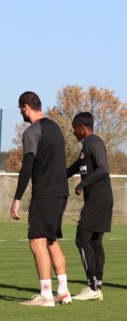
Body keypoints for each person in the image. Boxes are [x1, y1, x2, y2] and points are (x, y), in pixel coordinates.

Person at [10, 91, 71, 307]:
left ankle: (46, 295)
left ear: (26, 106)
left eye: (21, 109)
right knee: (52, 240)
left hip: (45, 193)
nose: (21, 113)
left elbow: (27, 167)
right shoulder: (56, 128)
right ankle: (63, 291)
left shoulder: (31, 132)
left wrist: (17, 198)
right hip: (62, 191)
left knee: (37, 241)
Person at [67, 112, 112, 301]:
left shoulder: (94, 142)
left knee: (81, 239)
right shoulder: (86, 147)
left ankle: (92, 287)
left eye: (74, 129)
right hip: (100, 200)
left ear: (82, 128)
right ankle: (97, 286)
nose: (74, 133)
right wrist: (60, 176)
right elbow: (77, 165)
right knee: (94, 242)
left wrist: (81, 185)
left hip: (98, 201)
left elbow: (103, 169)